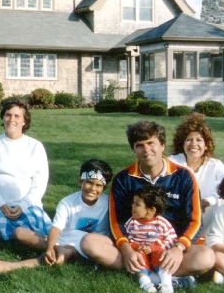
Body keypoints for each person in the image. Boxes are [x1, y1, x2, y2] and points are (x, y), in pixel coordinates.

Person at [81, 120, 214, 283]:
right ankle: (158, 274)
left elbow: (195, 220)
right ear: (134, 150)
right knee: (89, 242)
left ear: (162, 145)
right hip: (135, 247)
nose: (146, 150)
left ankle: (148, 275)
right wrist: (127, 250)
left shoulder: (184, 176)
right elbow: (116, 222)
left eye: (151, 143)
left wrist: (178, 249)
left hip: (169, 248)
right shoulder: (123, 179)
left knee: (206, 257)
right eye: (140, 145)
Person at [0, 159, 112, 273]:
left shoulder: (108, 203)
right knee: (19, 232)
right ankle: (57, 250)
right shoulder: (68, 202)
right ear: (80, 181)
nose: (92, 188)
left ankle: (9, 266)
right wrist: (50, 247)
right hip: (65, 240)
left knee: (60, 256)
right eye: (89, 182)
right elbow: (56, 228)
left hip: (90, 245)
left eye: (98, 185)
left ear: (104, 187)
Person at [0, 99, 52, 249]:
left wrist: (23, 205)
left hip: (27, 205)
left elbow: (40, 183)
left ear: (24, 121)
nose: (12, 119)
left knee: (22, 229)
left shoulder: (35, 146)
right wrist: (1, 204)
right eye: (8, 115)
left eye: (17, 116)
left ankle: (12, 235)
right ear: (3, 117)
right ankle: (5, 235)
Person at [168, 112, 224, 233]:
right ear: (182, 144)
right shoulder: (173, 162)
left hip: (209, 224)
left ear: (206, 145)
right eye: (188, 140)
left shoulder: (215, 165)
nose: (193, 144)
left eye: (199, 140)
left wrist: (208, 201)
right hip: (177, 221)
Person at [124, 186, 178, 293]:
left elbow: (172, 239)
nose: (132, 206)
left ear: (151, 210)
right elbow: (128, 239)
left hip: (156, 252)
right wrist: (136, 247)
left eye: (137, 204)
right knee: (138, 261)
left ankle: (166, 284)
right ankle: (146, 284)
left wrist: (153, 247)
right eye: (133, 203)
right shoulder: (132, 223)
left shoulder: (161, 223)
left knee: (161, 254)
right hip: (141, 252)